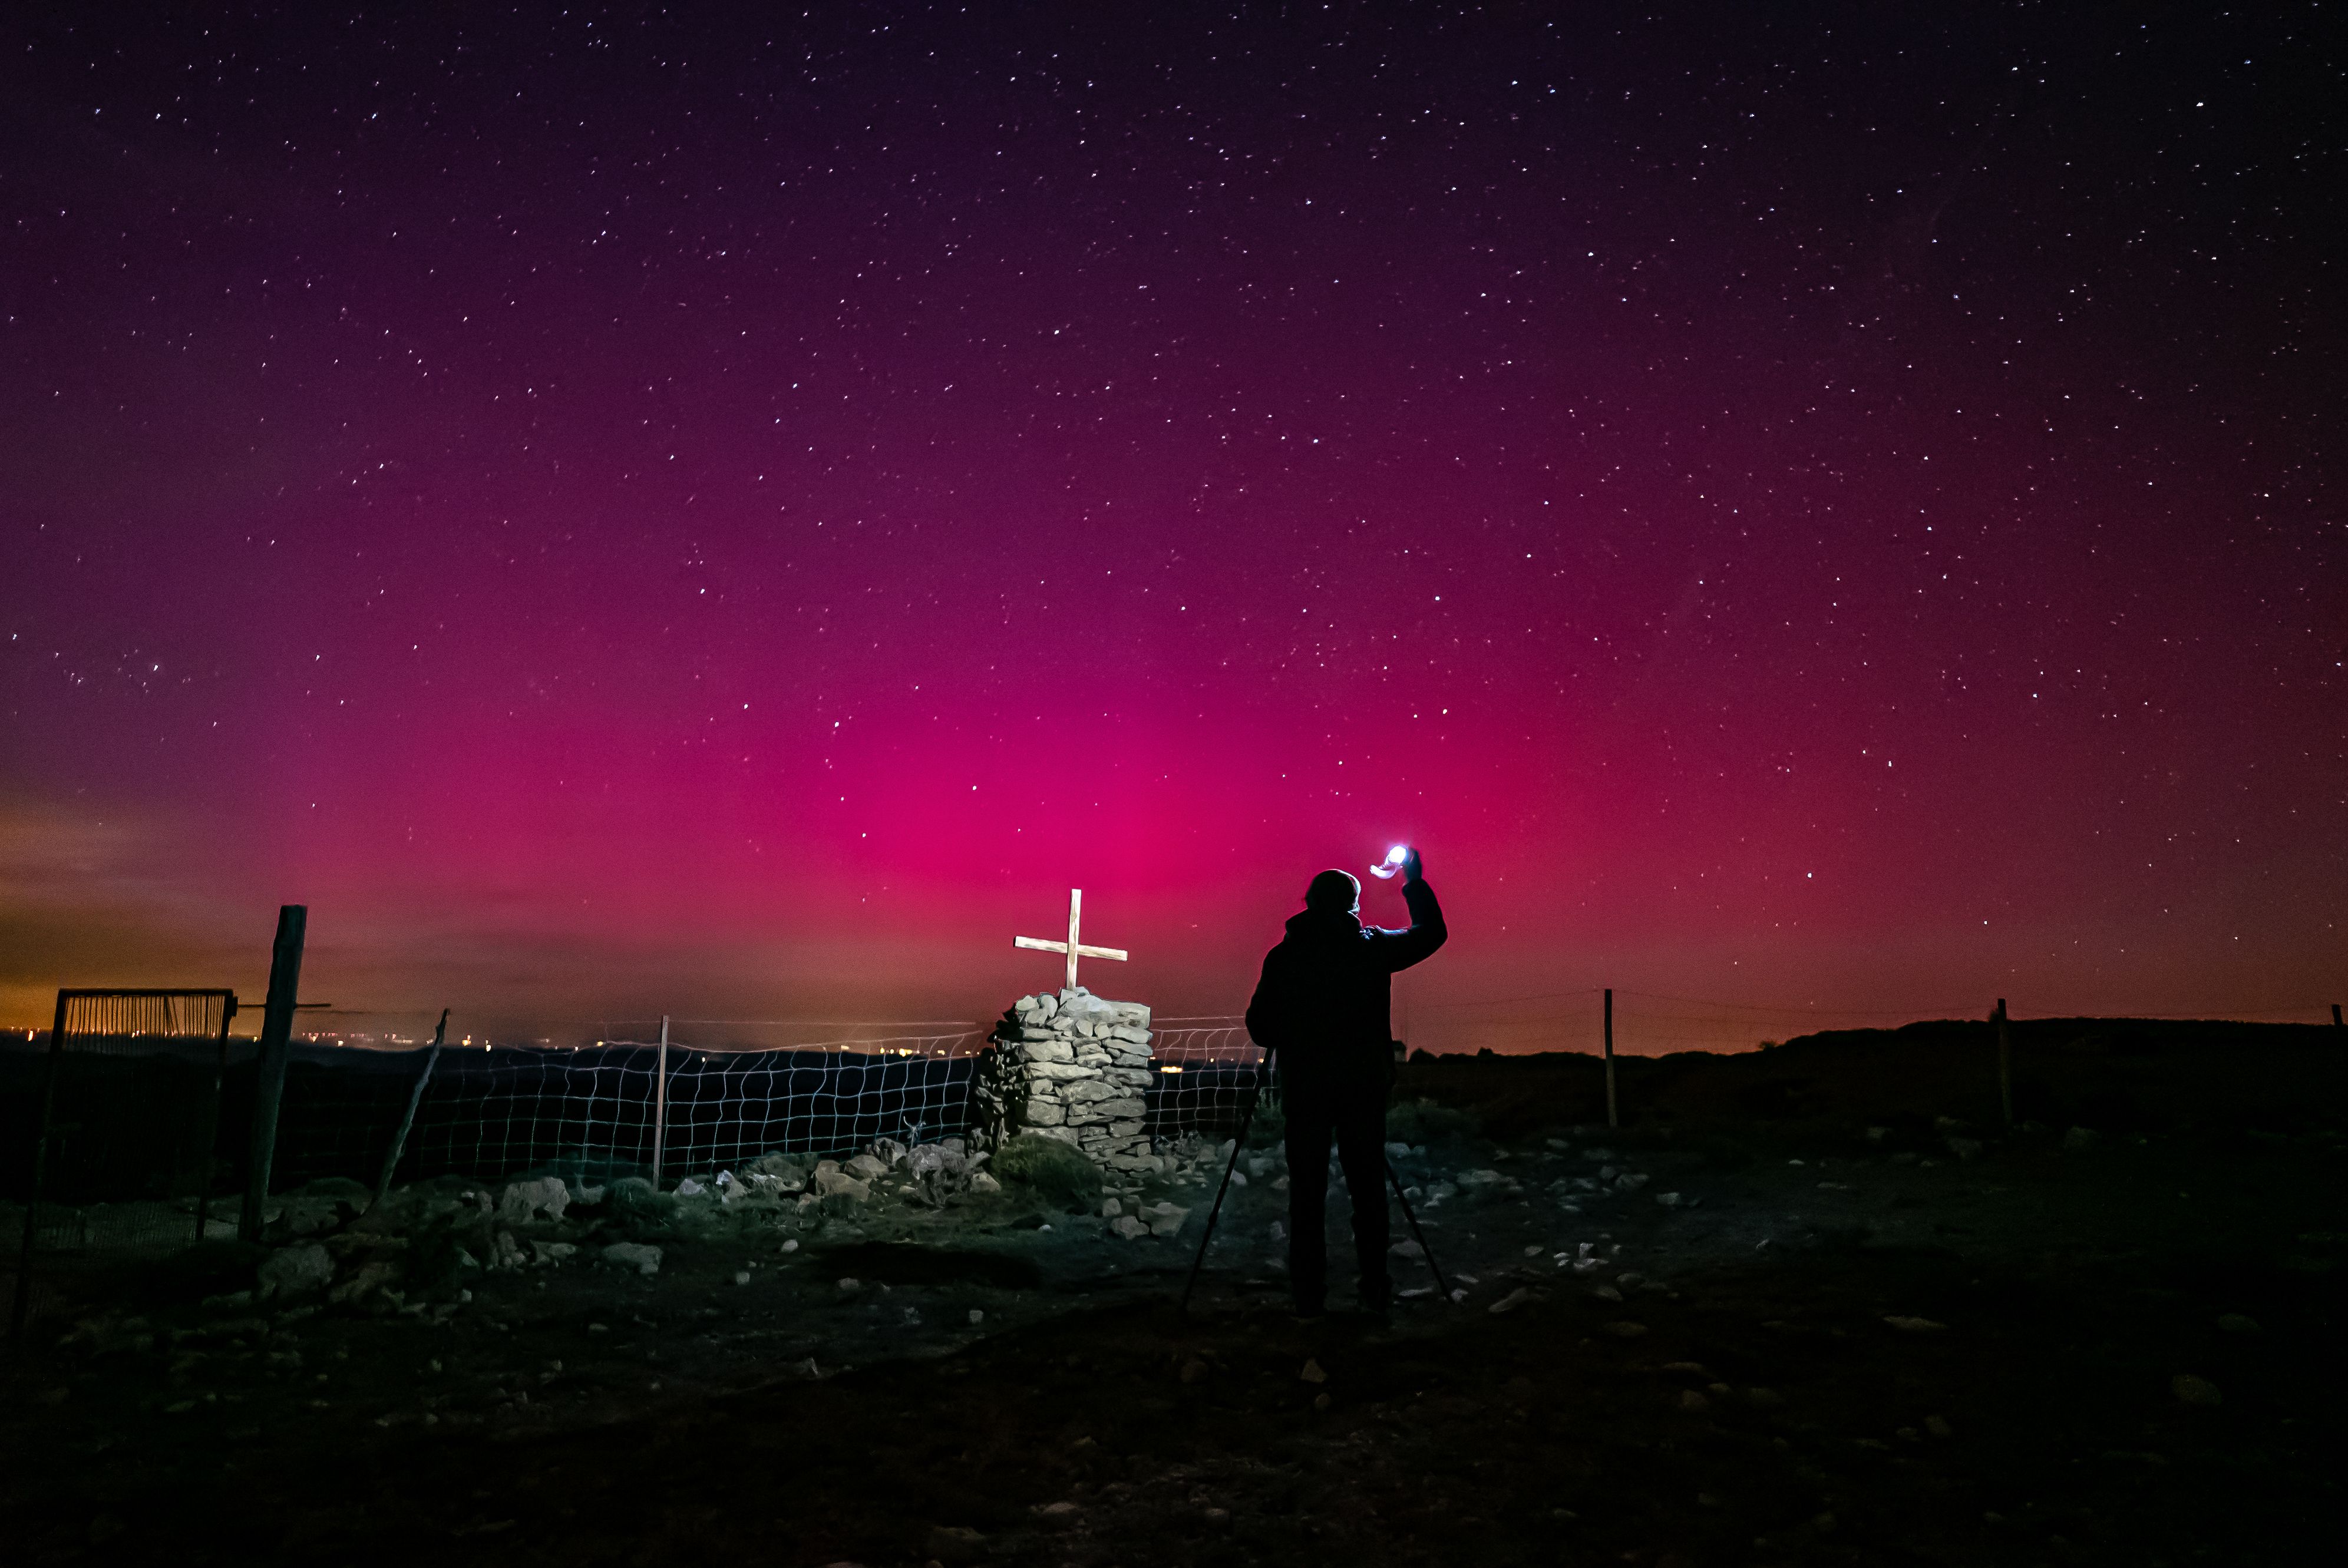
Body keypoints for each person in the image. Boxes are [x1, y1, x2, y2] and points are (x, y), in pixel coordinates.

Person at [1244, 846, 1445, 1316]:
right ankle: (1374, 1288)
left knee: (1307, 1194)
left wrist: (1295, 1028)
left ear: (1309, 903)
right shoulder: (1371, 948)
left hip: (1305, 1089)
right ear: (1353, 905)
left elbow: (1260, 1028)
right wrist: (1412, 879)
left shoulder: (1284, 956)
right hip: (1362, 1088)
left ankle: (1308, 1296)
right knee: (1368, 1191)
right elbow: (1431, 934)